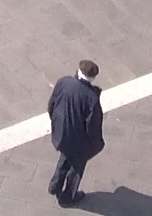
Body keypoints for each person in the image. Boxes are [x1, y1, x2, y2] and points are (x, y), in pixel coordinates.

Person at [46, 58, 103, 206]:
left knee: (64, 157)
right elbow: (93, 127)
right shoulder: (91, 98)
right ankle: (68, 197)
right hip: (78, 140)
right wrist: (96, 144)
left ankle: (55, 185)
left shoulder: (63, 82)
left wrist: (56, 124)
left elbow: (51, 105)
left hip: (60, 133)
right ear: (93, 77)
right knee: (76, 167)